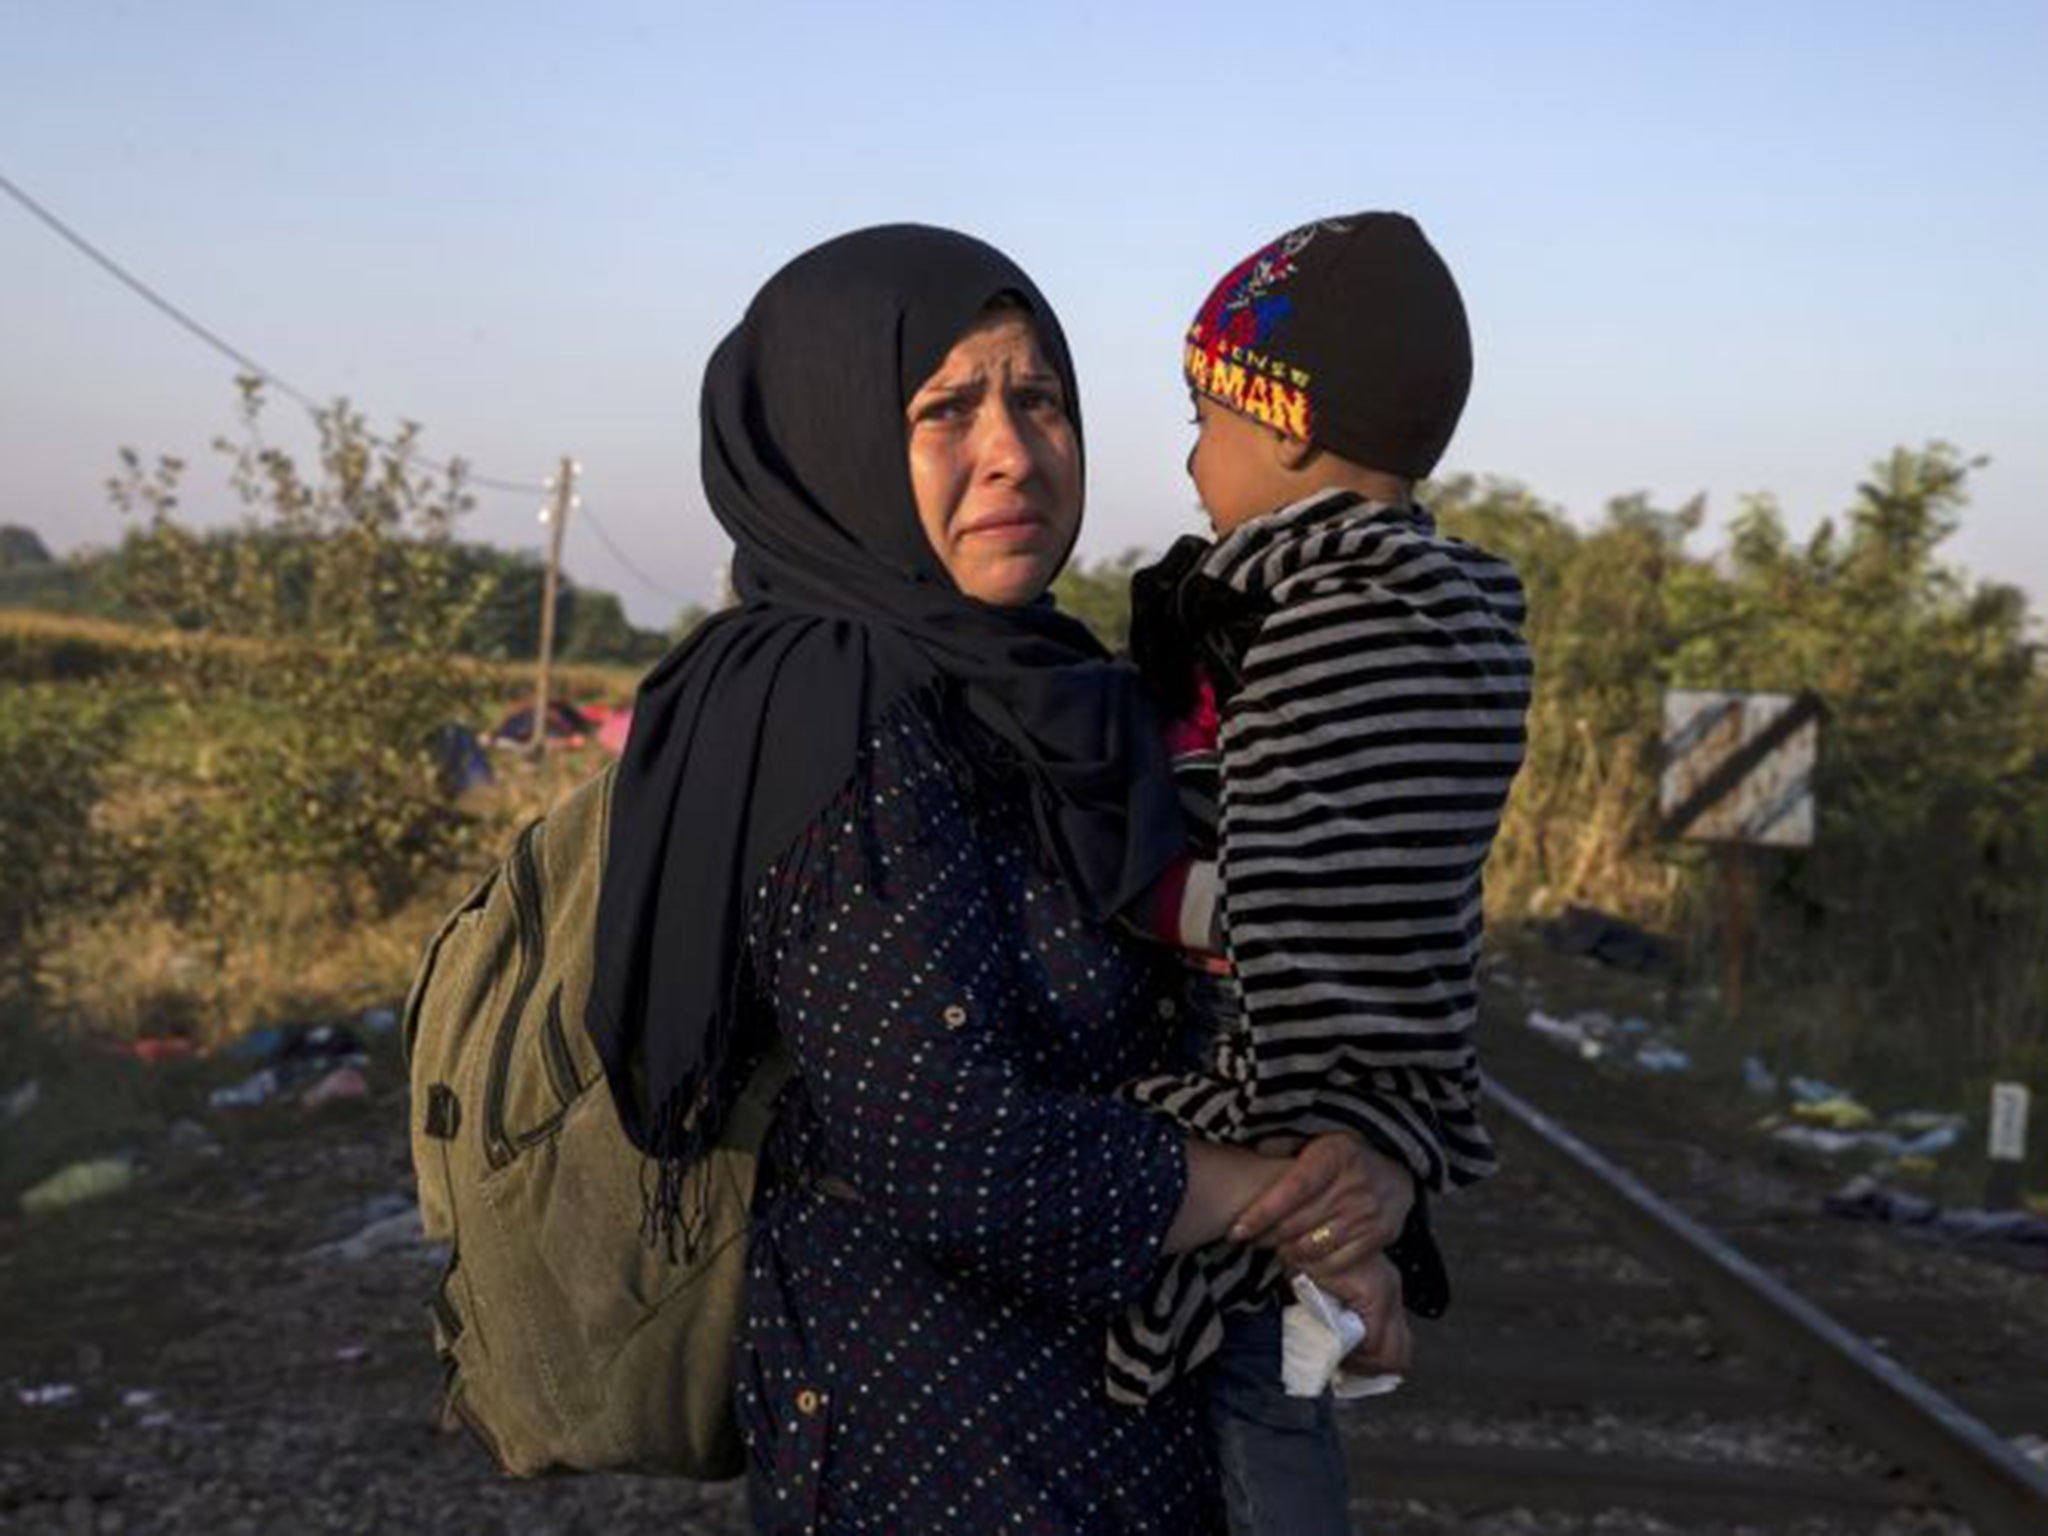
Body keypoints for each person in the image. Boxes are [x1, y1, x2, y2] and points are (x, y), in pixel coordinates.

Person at [585, 224, 1406, 1535]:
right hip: (947, 1448)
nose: (1012, 451)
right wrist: (1286, 1206)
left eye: (1039, 398)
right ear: (831, 431)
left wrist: (1362, 1185)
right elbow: (953, 1147)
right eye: (944, 408)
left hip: (1110, 1440)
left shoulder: (1054, 684)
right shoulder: (834, 701)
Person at [1113, 212, 1534, 1535]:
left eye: (1204, 416)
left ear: (1284, 422)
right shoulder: (1442, 605)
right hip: (1371, 1066)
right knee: (1280, 1373)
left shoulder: (1305, 608)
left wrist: (1126, 893)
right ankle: (1345, 1304)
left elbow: (1288, 879)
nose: (1189, 460)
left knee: (1248, 1387)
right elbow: (1387, 876)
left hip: (1271, 1067)